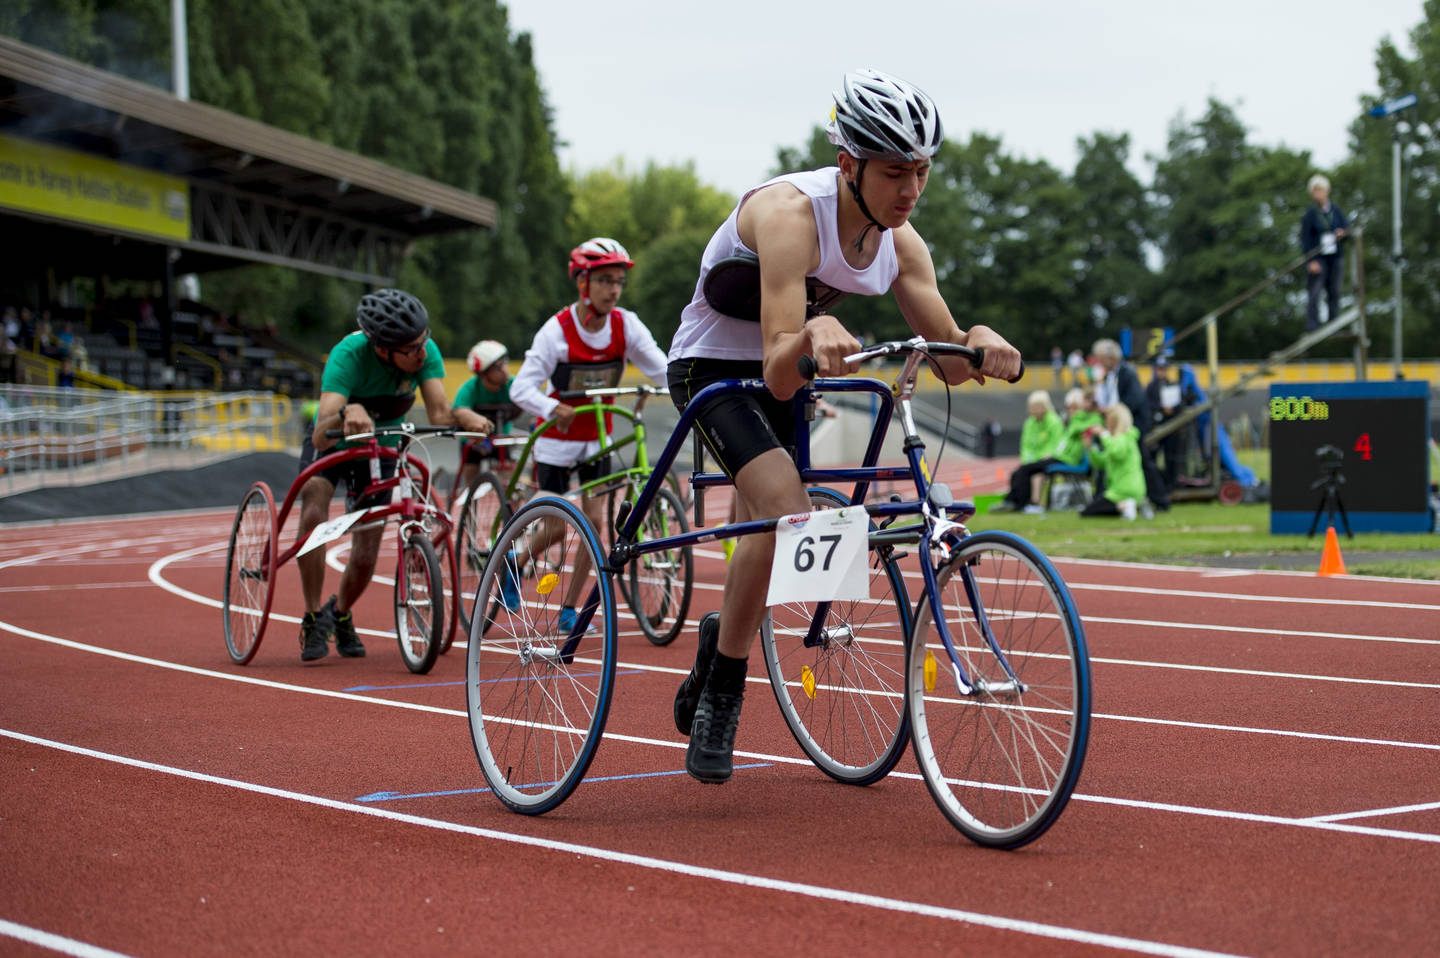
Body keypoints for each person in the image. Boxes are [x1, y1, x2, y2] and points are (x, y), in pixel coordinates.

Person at [665, 69, 1021, 784]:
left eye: (921, 172)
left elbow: (948, 356)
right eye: (895, 172)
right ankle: (722, 696)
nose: (911, 190)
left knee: (776, 528)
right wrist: (816, 326)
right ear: (848, 164)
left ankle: (719, 639)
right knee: (785, 511)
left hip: (791, 370)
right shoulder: (791, 213)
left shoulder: (901, 242)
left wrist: (981, 341)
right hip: (716, 369)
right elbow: (773, 366)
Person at [296, 289, 492, 663]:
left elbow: (439, 413)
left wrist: (462, 415)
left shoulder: (423, 351)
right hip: (336, 443)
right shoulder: (347, 356)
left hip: (383, 444)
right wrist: (347, 412)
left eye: (424, 342)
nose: (422, 354)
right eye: (411, 349)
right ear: (383, 349)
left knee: (367, 549)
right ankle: (311, 614)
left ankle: (339, 614)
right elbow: (320, 430)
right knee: (313, 510)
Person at [507, 238, 669, 633]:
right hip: (556, 443)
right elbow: (521, 389)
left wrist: (685, 389)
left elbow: (662, 368)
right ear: (583, 282)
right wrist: (550, 407)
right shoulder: (557, 332)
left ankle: (569, 610)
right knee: (559, 524)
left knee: (594, 522)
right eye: (604, 281)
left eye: (618, 282)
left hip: (598, 439)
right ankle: (516, 559)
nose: (613, 290)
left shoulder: (625, 324)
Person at [1090, 337, 1169, 511]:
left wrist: (1111, 411)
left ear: (1111, 358)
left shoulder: (1127, 373)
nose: (1099, 362)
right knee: (1115, 457)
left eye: (1100, 358)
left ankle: (1161, 499)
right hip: (1120, 423)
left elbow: (1134, 400)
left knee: (1143, 461)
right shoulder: (1111, 375)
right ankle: (1103, 496)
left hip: (1130, 426)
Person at [453, 339, 519, 490]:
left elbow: (533, 399)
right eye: (499, 366)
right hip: (474, 440)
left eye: (505, 362)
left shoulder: (514, 385)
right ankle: (468, 507)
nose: (505, 369)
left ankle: (512, 510)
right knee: (470, 478)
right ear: (483, 374)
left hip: (502, 438)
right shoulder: (470, 389)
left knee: (511, 483)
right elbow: (458, 409)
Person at [991, 391, 1063, 514]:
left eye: (1036, 407)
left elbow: (1056, 443)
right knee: (1016, 473)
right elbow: (1026, 445)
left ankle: (1020, 503)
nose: (1032, 410)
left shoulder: (1054, 421)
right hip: (1034, 459)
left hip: (1050, 458)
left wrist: (1042, 456)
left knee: (1025, 471)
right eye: (1031, 407)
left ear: (1044, 406)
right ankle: (1014, 501)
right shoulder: (1030, 423)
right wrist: (1027, 459)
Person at [1080, 404, 1148, 520]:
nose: (1105, 423)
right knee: (1091, 510)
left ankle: (1126, 506)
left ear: (1114, 421)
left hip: (1123, 489)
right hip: (1122, 489)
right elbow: (1101, 462)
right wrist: (1091, 448)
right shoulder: (1117, 440)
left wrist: (1103, 434)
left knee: (1087, 512)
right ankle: (1131, 506)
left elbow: (1117, 453)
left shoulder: (1124, 437)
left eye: (1107, 420)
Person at [1299, 174, 1348, 332]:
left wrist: (1342, 233)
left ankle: (1334, 323)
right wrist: (1310, 260)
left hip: (1335, 256)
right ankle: (1312, 326)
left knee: (1334, 290)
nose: (1317, 194)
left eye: (1320, 190)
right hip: (1318, 257)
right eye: (1314, 191)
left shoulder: (1336, 210)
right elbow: (1305, 238)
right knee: (1315, 291)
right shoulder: (1310, 213)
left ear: (1327, 191)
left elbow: (1347, 228)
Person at [1144, 355, 1196, 491]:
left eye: (1163, 369)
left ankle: (1171, 484)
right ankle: (1154, 485)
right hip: (1156, 427)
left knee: (1171, 457)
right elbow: (1148, 406)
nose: (1161, 372)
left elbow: (1179, 404)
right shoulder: (1151, 387)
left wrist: (1172, 409)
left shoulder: (1173, 385)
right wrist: (1161, 408)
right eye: (1159, 369)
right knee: (1152, 457)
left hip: (1170, 428)